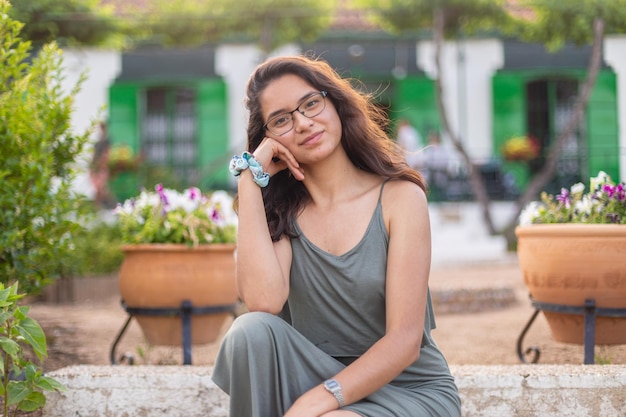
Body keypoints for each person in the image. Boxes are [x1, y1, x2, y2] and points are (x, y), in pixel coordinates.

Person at [213, 55, 461, 417]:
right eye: (281, 119)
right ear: (269, 139)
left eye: (311, 103)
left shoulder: (399, 198)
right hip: (313, 378)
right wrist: (250, 181)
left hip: (408, 389)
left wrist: (321, 400)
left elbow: (405, 341)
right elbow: (263, 302)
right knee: (248, 332)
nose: (302, 123)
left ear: (335, 102)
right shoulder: (283, 214)